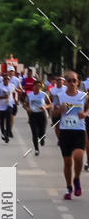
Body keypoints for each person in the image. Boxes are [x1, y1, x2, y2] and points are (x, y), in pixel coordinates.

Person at [53, 70, 87, 199]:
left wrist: (84, 114)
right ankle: (69, 189)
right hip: (65, 132)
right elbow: (53, 113)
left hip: (79, 131)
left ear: (78, 82)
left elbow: (87, 108)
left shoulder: (83, 96)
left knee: (78, 157)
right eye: (69, 80)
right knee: (67, 162)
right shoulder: (60, 96)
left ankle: (76, 178)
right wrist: (59, 110)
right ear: (65, 82)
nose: (72, 83)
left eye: (74, 80)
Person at [22, 78, 51, 155]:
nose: (37, 87)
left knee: (42, 132)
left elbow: (50, 104)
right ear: (33, 87)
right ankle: (36, 149)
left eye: (39, 86)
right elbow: (24, 104)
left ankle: (42, 139)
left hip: (42, 114)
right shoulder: (29, 95)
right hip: (33, 115)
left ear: (41, 87)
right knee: (34, 133)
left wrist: (45, 107)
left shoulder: (44, 94)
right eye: (36, 86)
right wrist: (27, 109)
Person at [0, 73, 13, 142]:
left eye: (8, 79)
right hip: (1, 106)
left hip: (9, 105)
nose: (6, 80)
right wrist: (3, 97)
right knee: (2, 121)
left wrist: (16, 99)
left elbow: (15, 92)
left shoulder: (12, 86)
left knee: (8, 120)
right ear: (3, 80)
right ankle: (3, 132)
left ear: (9, 80)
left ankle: (7, 134)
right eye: (5, 79)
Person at [50, 75, 66, 143]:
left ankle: (62, 139)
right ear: (56, 82)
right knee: (57, 126)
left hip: (64, 109)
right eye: (58, 80)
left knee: (63, 126)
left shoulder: (66, 89)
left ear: (63, 82)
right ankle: (59, 139)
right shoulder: (53, 89)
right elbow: (50, 98)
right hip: (55, 109)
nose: (59, 82)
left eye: (61, 80)